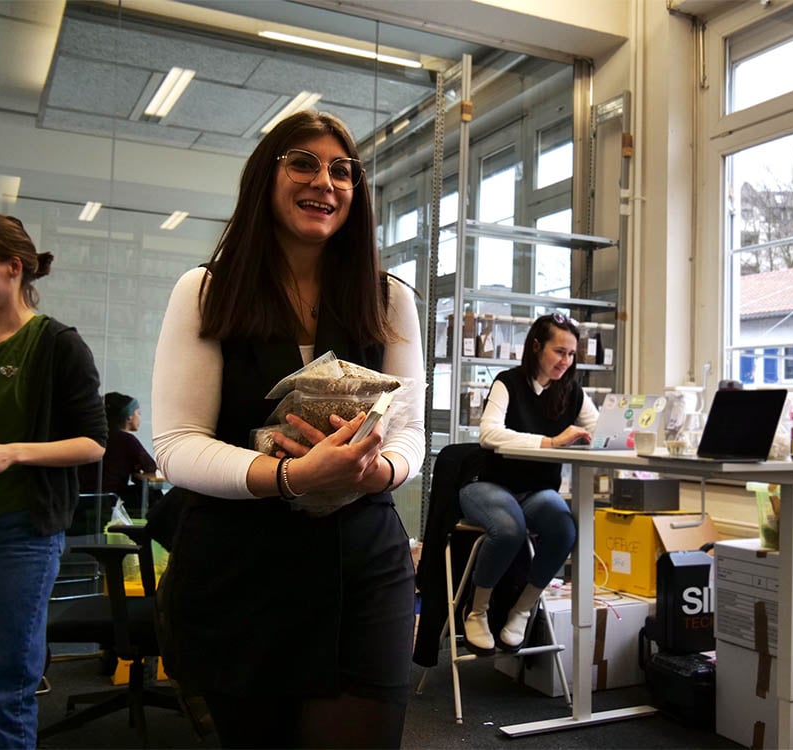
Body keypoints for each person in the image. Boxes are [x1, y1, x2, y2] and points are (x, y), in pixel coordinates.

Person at [151, 110, 425, 749]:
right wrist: (291, 477)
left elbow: (411, 434)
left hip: (361, 558)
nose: (324, 182)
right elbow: (177, 444)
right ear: (263, 179)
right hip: (240, 567)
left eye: (341, 170)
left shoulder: (388, 298)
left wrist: (376, 470)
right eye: (302, 162)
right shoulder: (206, 291)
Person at [0, 211, 107, 748]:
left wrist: (13, 453)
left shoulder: (56, 344)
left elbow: (94, 442)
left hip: (21, 537)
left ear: (12, 267)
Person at [458, 313, 598, 654]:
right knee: (509, 528)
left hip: (535, 492)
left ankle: (522, 609)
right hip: (489, 485)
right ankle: (477, 611)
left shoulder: (572, 392)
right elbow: (488, 434)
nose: (565, 361)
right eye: (558, 351)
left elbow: (601, 429)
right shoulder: (508, 382)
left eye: (571, 354)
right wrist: (551, 442)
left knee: (565, 529)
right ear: (536, 347)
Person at [79, 391, 160, 509]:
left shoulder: (97, 437)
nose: (140, 418)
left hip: (84, 499)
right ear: (129, 417)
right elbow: (150, 466)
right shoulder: (127, 440)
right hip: (110, 499)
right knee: (153, 493)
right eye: (139, 413)